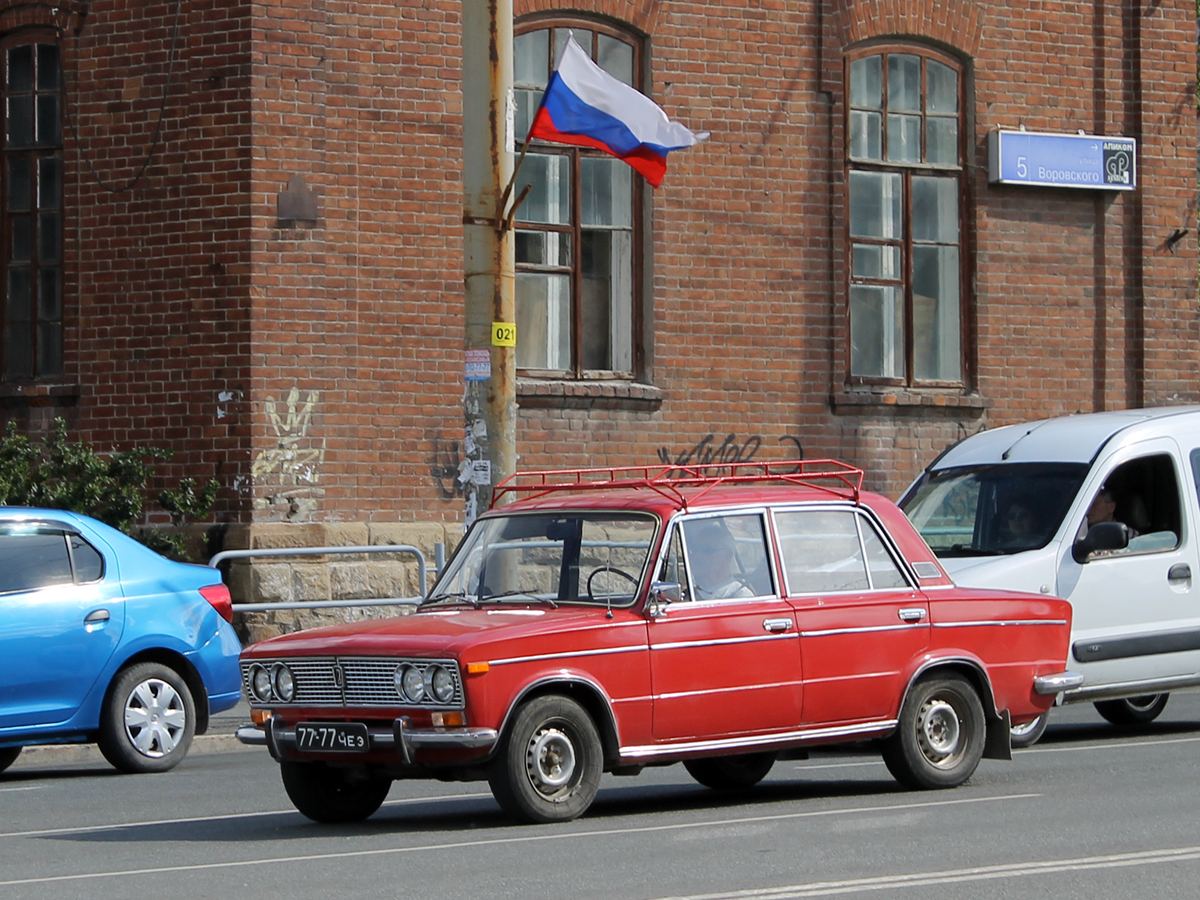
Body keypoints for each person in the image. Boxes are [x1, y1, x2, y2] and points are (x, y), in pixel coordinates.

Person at [684, 519, 753, 600]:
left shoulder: (741, 596)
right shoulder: (687, 595)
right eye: (694, 549)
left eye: (707, 550)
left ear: (727, 556)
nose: (696, 556)